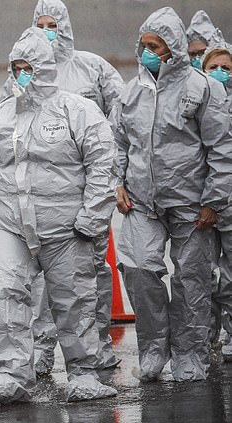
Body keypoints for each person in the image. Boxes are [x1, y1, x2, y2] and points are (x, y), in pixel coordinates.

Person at [0, 27, 118, 404]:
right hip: (9, 224)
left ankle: (84, 372)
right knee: (3, 291)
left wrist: (91, 217)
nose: (21, 74)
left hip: (67, 228)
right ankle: (12, 374)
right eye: (16, 67)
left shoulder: (77, 110)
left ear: (45, 68)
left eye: (28, 66)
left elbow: (102, 163)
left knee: (74, 299)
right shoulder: (1, 114)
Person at [0, 0, 124, 376]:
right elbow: (3, 137)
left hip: (89, 191)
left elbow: (123, 113)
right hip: (39, 199)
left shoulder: (92, 67)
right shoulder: (19, 79)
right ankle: (42, 350)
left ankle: (97, 345)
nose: (46, 29)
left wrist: (113, 172)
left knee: (92, 273)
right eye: (39, 23)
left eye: (52, 23)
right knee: (38, 280)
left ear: (65, 26)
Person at [111, 7, 232, 382]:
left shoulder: (202, 88)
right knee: (138, 268)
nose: (148, 51)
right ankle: (153, 347)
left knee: (191, 280)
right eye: (144, 44)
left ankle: (190, 353)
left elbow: (221, 148)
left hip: (191, 203)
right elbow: (118, 143)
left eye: (156, 45)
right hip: (142, 203)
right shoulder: (131, 93)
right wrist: (117, 182)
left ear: (174, 48)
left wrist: (213, 199)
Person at [202, 41, 232, 361]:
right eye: (214, 68)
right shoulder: (197, 106)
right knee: (204, 275)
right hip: (205, 205)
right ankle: (207, 338)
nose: (221, 73)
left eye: (227, 68)